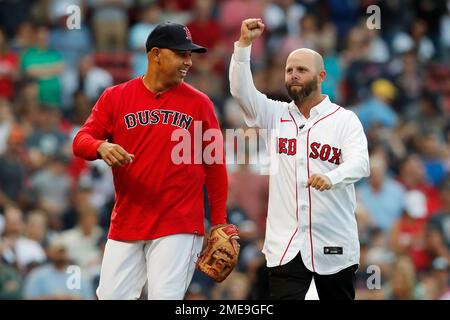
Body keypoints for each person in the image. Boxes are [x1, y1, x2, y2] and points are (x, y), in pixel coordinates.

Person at [72, 22, 228, 300]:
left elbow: (215, 166)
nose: (189, 62)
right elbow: (80, 141)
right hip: (129, 219)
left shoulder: (200, 104)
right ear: (155, 54)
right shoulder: (116, 97)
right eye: (181, 54)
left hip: (178, 222)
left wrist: (219, 222)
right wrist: (100, 146)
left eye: (190, 55)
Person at [229, 18, 370, 300]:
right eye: (289, 69)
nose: (293, 74)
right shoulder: (275, 114)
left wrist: (332, 177)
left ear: (321, 77)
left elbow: (360, 164)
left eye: (301, 70)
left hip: (333, 244)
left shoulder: (344, 120)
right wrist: (244, 46)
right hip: (285, 245)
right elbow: (241, 93)